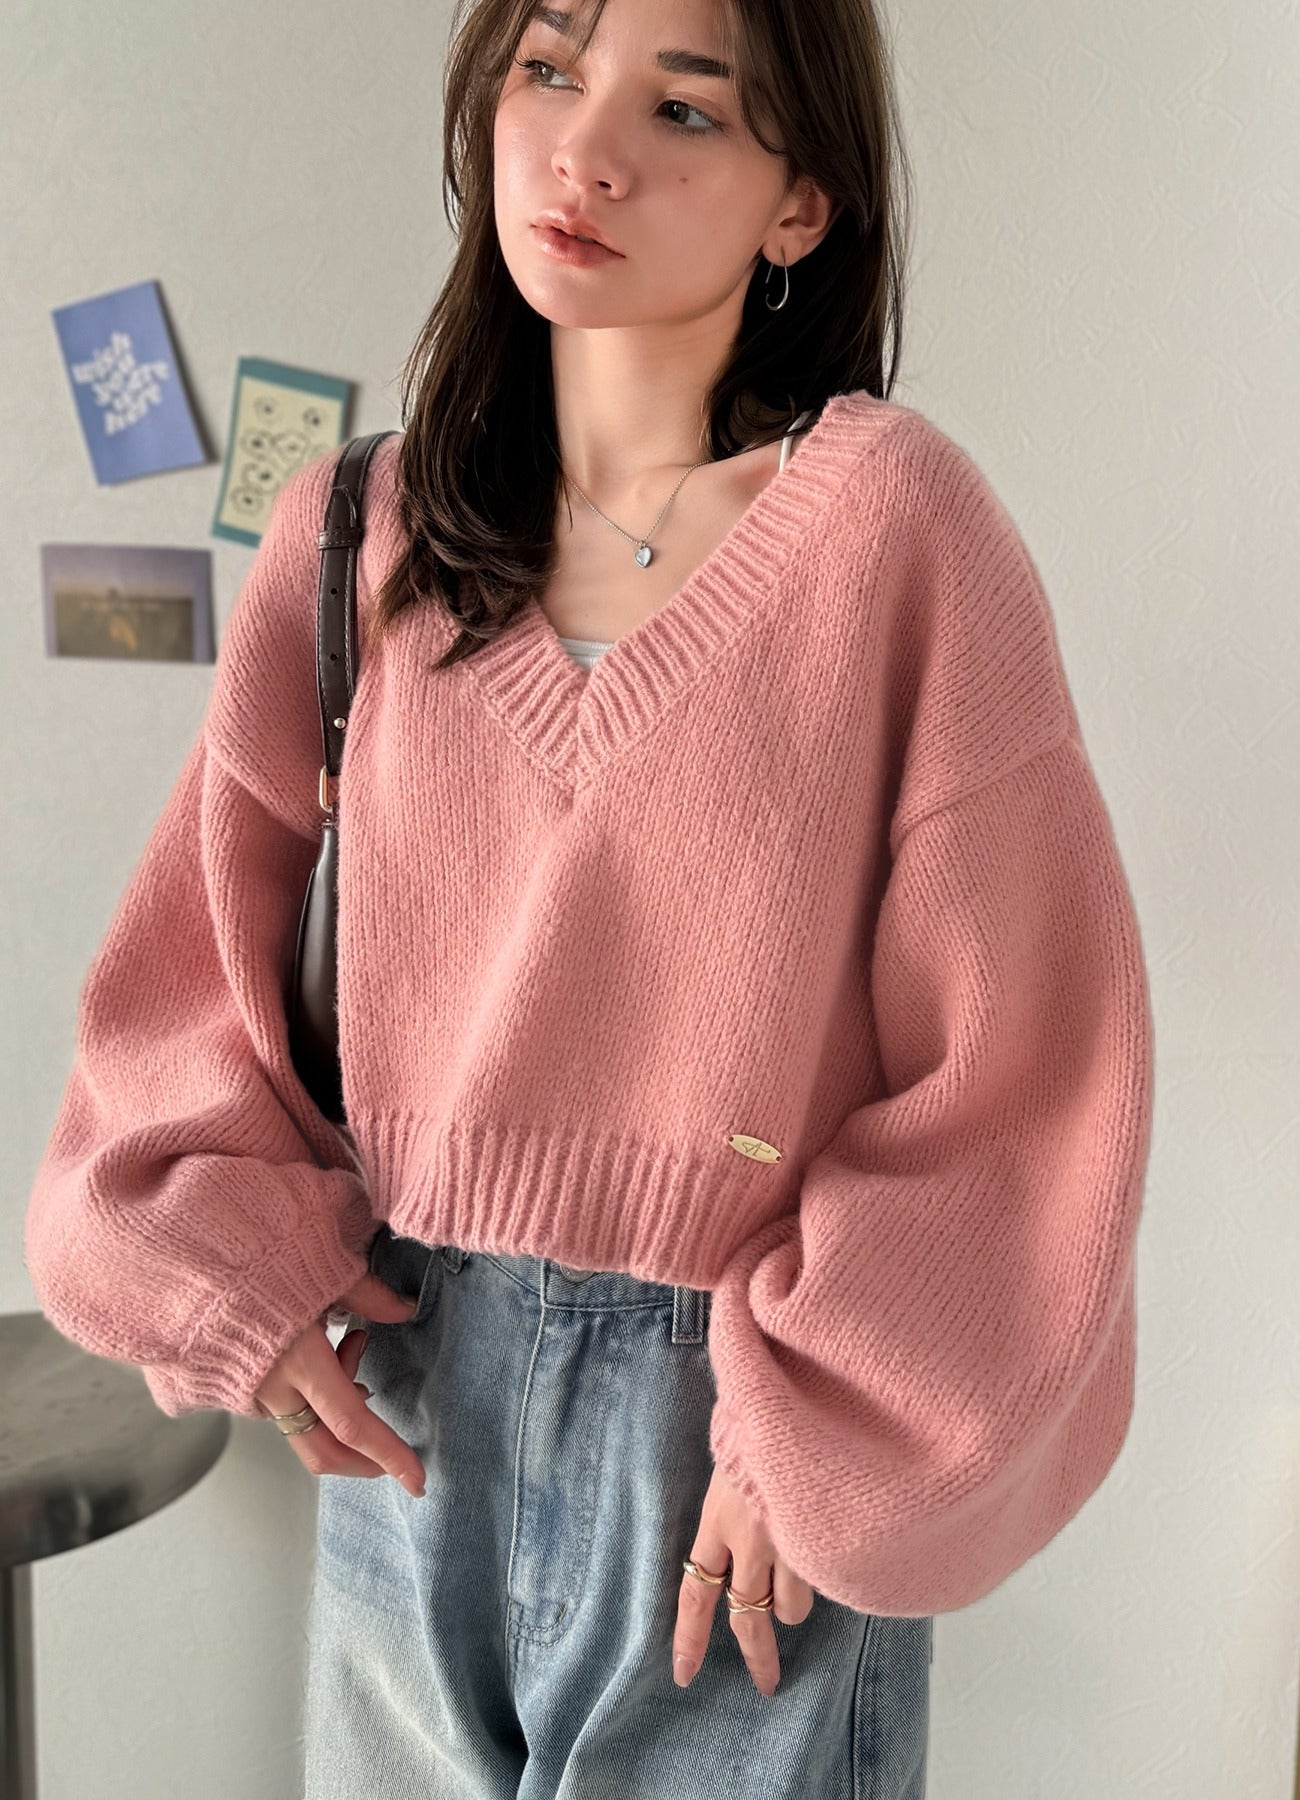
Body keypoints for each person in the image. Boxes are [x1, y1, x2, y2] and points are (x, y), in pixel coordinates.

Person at [23, 0, 1156, 1792]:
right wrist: (228, 1277)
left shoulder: (895, 534)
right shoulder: (354, 539)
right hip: (410, 1382)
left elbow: (1027, 1058)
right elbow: (182, 984)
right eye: (549, 72)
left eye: (683, 109)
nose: (587, 149)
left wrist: (824, 1426)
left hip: (732, 1417)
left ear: (802, 202)